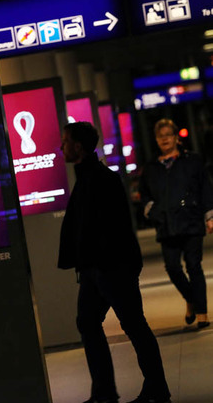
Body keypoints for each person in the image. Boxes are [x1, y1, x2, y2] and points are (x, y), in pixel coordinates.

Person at [58, 122, 171, 403]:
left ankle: (153, 389)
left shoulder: (99, 179)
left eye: (66, 142)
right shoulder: (88, 177)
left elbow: (111, 229)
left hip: (110, 268)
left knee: (132, 325)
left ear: (79, 147)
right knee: (92, 322)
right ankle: (106, 391)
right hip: (95, 270)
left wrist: (105, 265)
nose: (61, 147)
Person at [139, 118, 213, 328]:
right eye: (160, 136)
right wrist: (152, 211)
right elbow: (143, 194)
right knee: (172, 268)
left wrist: (210, 216)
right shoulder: (152, 167)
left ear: (175, 138)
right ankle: (191, 299)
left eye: (168, 135)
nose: (164, 139)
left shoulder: (192, 161)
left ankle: (201, 313)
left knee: (194, 266)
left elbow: (205, 188)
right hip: (166, 224)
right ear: (156, 139)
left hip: (190, 221)